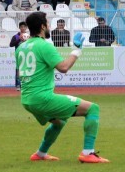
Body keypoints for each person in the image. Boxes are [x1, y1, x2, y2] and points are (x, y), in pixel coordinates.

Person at [16, 12, 109, 163]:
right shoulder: (44, 46)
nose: (50, 26)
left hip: (27, 99)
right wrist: (77, 50)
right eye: (48, 23)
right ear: (42, 26)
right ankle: (87, 153)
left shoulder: (21, 47)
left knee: (59, 122)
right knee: (93, 108)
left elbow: (22, 73)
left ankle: (40, 154)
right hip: (42, 98)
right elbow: (63, 67)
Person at [10, 21, 29, 90]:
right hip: (19, 55)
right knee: (18, 69)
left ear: (26, 28)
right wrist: (19, 39)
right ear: (19, 27)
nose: (23, 28)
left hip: (27, 55)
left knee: (27, 69)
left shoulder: (29, 36)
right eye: (21, 27)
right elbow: (11, 44)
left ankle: (25, 84)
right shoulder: (16, 36)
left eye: (24, 27)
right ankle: (18, 84)